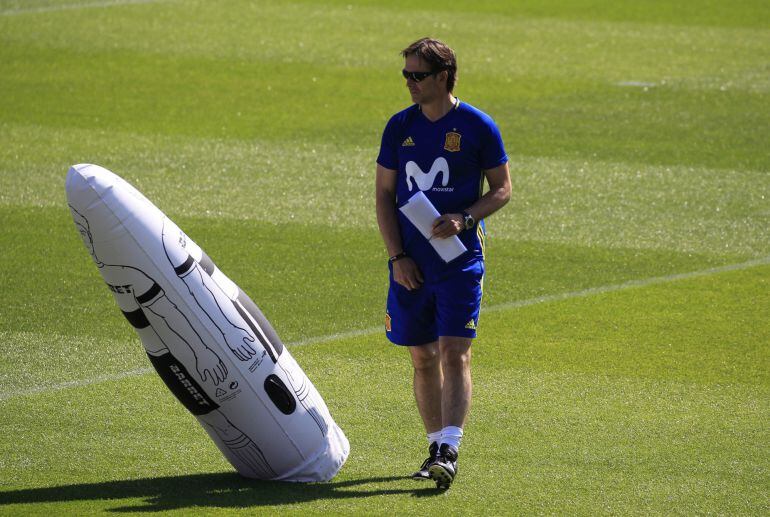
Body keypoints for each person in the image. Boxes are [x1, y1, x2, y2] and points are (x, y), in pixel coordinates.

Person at [375, 37, 511, 489]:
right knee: (422, 356)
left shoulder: (477, 126)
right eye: (406, 75)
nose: (410, 83)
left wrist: (465, 217)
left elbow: (502, 189)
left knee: (455, 353)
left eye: (418, 75)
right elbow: (383, 193)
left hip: (460, 260)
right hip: (411, 262)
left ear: (443, 76)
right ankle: (434, 445)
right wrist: (397, 256)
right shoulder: (399, 127)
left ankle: (450, 448)